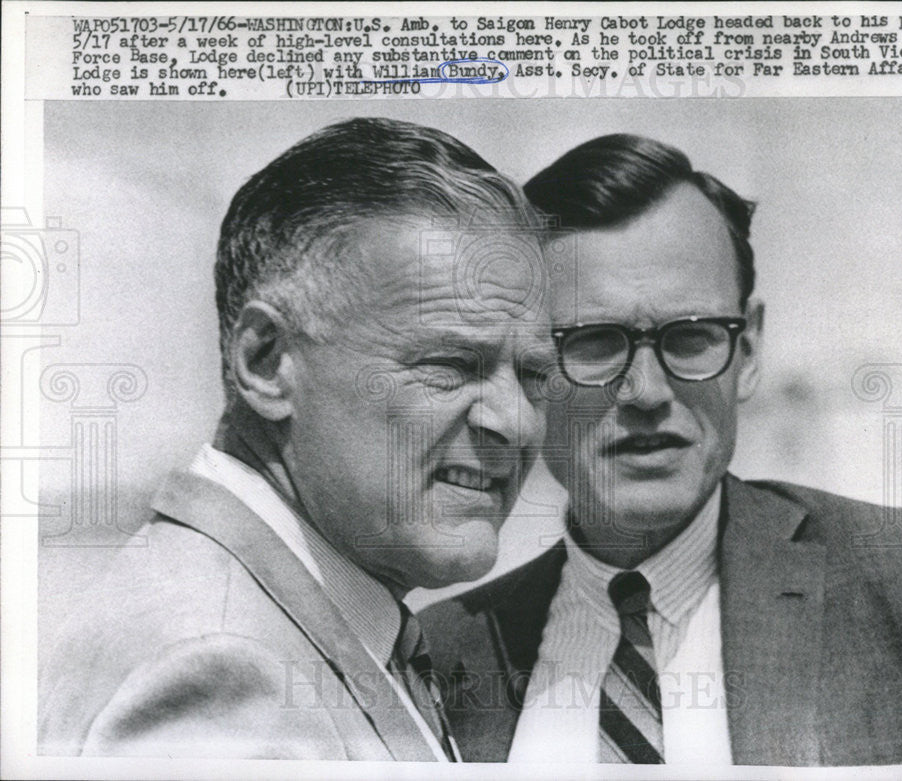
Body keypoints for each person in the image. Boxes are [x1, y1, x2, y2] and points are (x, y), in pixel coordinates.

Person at [420, 134, 902, 766]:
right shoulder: (441, 653)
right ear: (529, 366)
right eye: (593, 342)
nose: (646, 392)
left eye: (693, 337)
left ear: (748, 353)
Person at [38, 117, 554, 761]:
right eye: (448, 365)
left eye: (534, 375)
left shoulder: (309, 622)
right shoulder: (223, 668)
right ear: (267, 363)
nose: (515, 421)